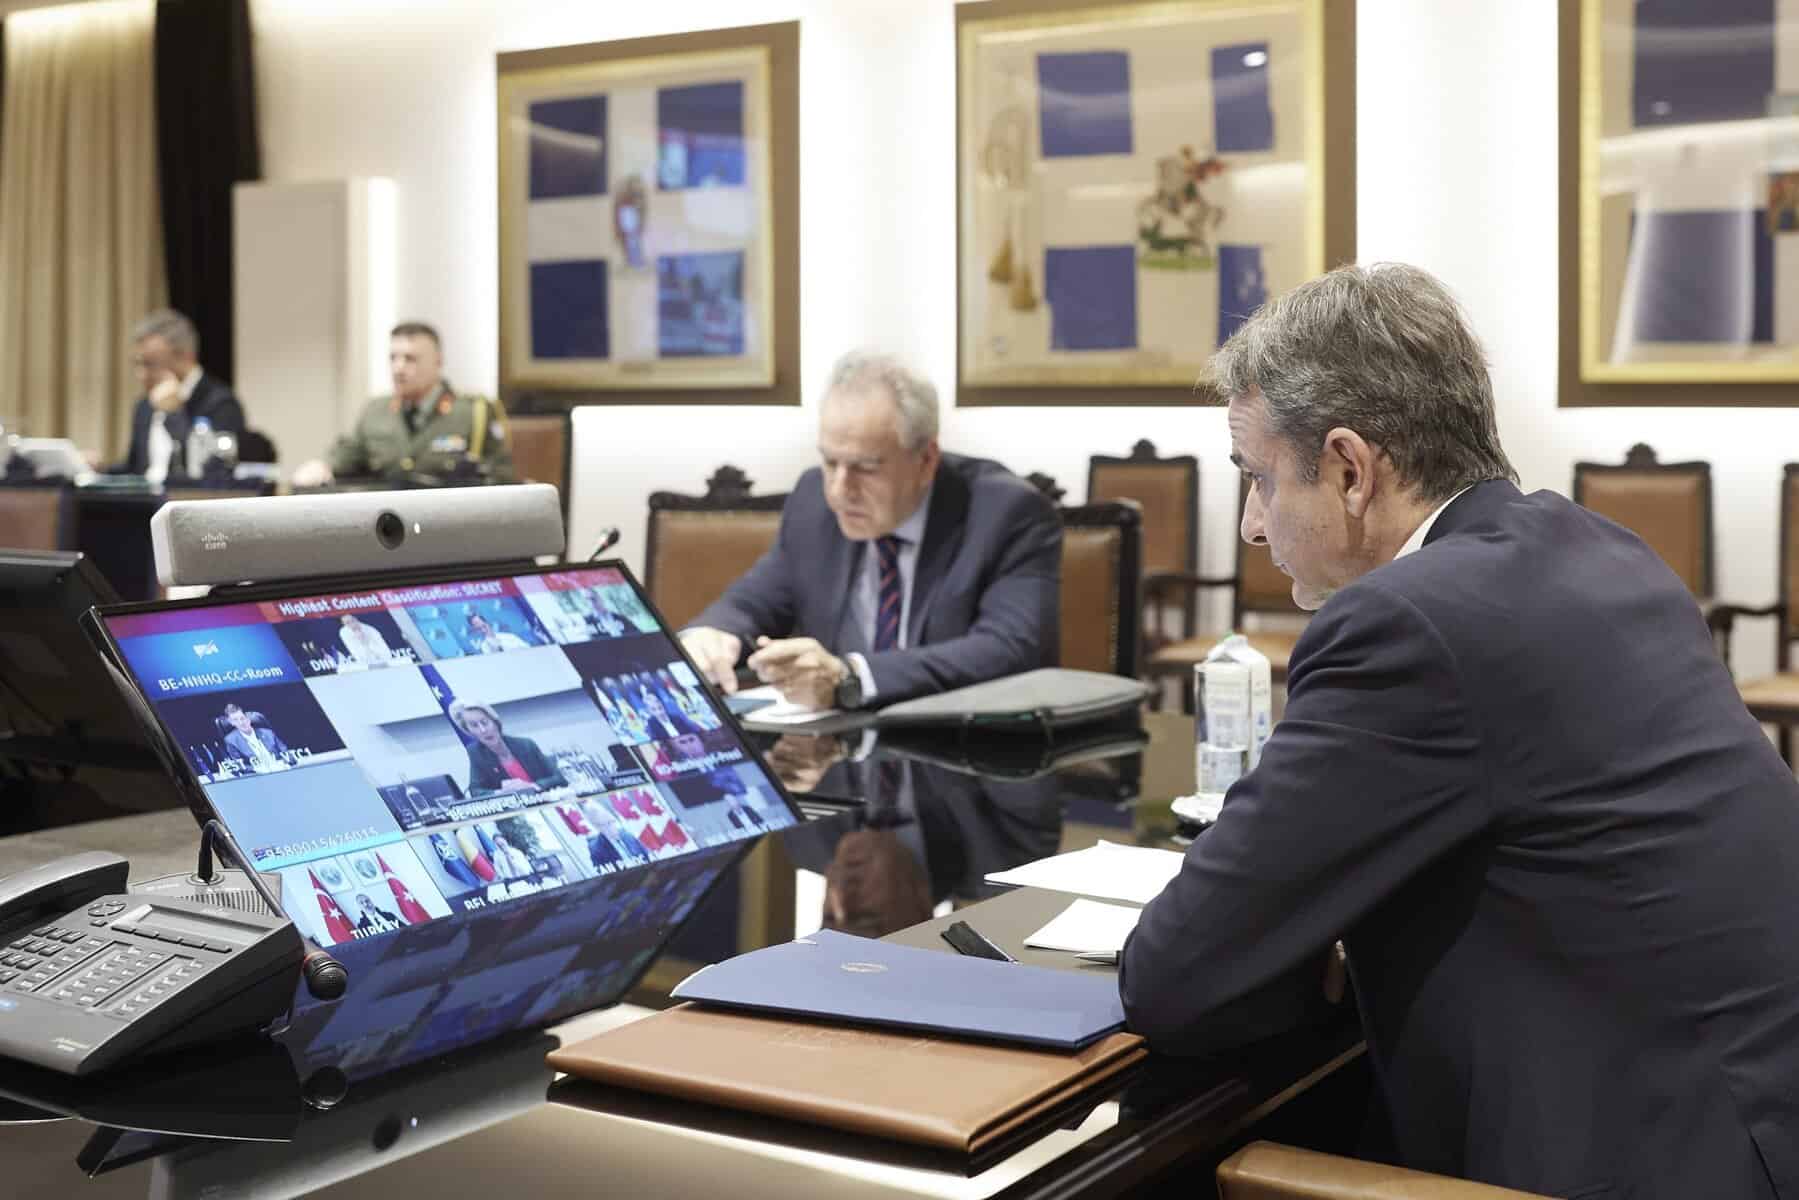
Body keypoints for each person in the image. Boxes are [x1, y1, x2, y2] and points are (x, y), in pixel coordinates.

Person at [1117, 263, 1799, 1199]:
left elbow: (1175, 977)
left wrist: (1304, 944)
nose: (1250, 527)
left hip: (1635, 1156)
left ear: (1349, 471)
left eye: (1259, 479)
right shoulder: (1598, 547)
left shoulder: (1407, 625)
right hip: (1752, 1109)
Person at [680, 350, 1061, 711]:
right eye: (830, 462)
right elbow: (754, 602)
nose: (839, 489)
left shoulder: (1006, 514)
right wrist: (715, 634)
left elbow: (1010, 650)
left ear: (926, 460)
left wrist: (852, 678)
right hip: (837, 748)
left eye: (865, 467)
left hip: (963, 747)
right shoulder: (813, 501)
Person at [291, 321, 515, 487]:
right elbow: (347, 455)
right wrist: (322, 467)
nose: (398, 368)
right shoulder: (375, 412)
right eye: (393, 358)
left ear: (438, 362)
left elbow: (501, 478)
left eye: (410, 359)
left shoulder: (473, 413)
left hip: (451, 523)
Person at [105, 309, 246, 483]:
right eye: (138, 363)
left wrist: (174, 414)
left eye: (150, 364)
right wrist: (94, 469)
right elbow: (135, 469)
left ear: (185, 357)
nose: (141, 375)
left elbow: (214, 472)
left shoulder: (222, 404)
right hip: (145, 498)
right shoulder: (144, 406)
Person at [448, 700, 569, 796]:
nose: (483, 730)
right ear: (469, 731)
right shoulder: (476, 752)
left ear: (495, 722)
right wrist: (501, 793)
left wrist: (532, 786)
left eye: (485, 722)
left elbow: (560, 778)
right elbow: (475, 791)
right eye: (474, 726)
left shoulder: (526, 745)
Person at [220, 703, 287, 771]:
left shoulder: (268, 733)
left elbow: (285, 751)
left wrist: (283, 763)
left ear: (248, 718)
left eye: (242, 718)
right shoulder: (231, 741)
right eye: (235, 720)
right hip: (258, 773)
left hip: (280, 768)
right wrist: (255, 769)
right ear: (232, 723)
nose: (241, 723)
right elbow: (239, 765)